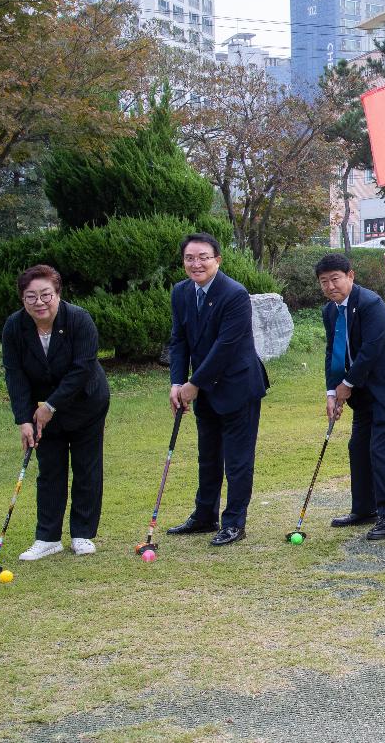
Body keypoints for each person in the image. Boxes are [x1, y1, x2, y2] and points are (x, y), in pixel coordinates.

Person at [1, 265, 110, 560]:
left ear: (58, 294)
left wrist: (50, 406)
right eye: (30, 297)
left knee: (87, 467)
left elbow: (82, 368)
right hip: (42, 411)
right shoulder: (15, 327)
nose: (39, 302)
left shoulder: (78, 319)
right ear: (23, 300)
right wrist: (24, 419)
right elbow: (15, 375)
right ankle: (48, 537)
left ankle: (82, 534)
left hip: (86, 403)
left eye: (46, 295)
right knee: (50, 469)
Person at [166, 233, 268, 546]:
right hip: (204, 390)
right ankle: (204, 516)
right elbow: (179, 340)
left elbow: (226, 346)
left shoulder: (234, 293)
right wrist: (176, 382)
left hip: (238, 385)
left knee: (237, 460)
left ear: (217, 260)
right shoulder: (181, 292)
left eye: (203, 257)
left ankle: (235, 522)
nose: (196, 263)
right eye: (189, 258)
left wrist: (193, 384)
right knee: (208, 456)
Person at [317, 253, 385, 541]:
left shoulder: (370, 303)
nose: (330, 286)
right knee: (358, 447)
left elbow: (371, 350)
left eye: (335, 279)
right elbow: (333, 353)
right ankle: (365, 509)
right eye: (324, 282)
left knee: (381, 449)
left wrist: (347, 384)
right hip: (362, 392)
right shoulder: (330, 311)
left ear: (350, 276)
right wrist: (331, 391)